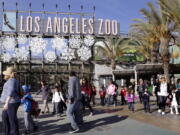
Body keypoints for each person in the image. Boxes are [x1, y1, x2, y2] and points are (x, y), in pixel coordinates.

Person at [0, 67, 21, 135]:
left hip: (11, 102)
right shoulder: (13, 80)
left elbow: (11, 91)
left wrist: (6, 103)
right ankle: (8, 132)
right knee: (5, 117)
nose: (5, 75)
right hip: (11, 102)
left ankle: (14, 133)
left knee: (12, 120)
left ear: (11, 74)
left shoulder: (11, 80)